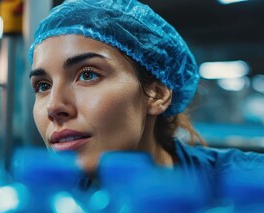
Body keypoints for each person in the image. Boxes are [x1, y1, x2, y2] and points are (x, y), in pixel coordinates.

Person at [27, 0, 264, 177]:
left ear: (157, 94)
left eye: (87, 75)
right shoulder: (38, 212)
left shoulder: (245, 184)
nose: (54, 106)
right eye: (43, 85)